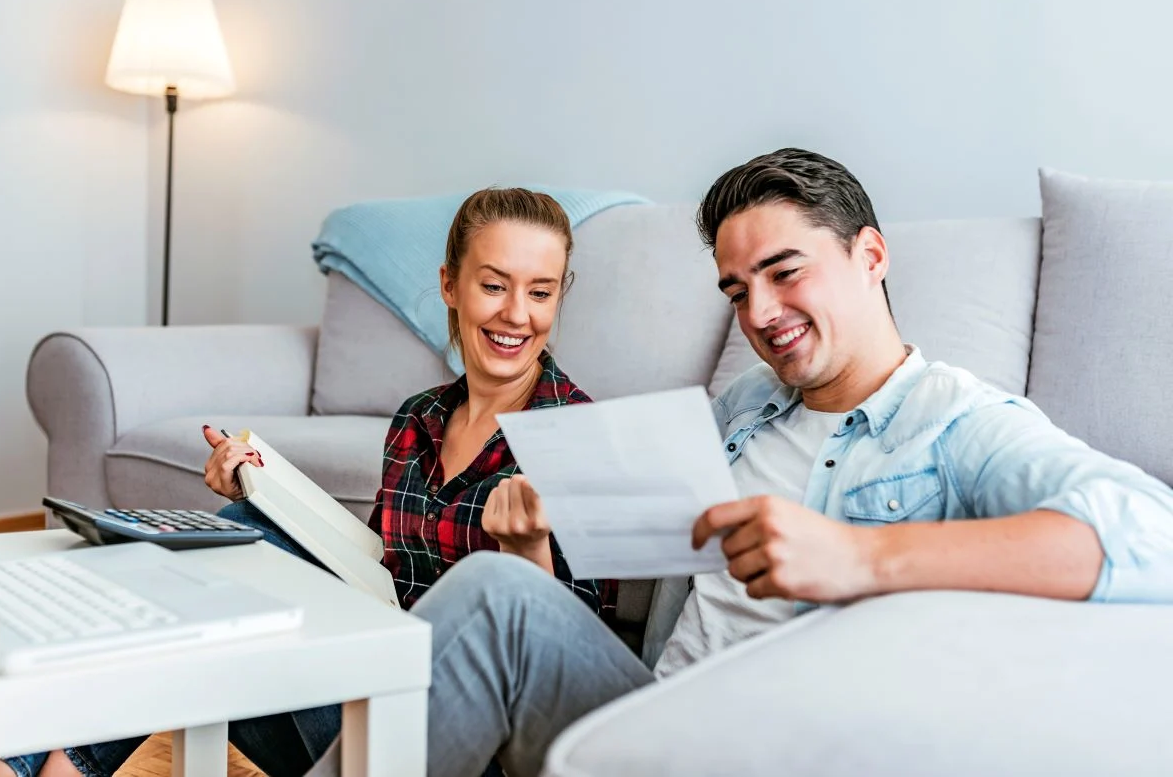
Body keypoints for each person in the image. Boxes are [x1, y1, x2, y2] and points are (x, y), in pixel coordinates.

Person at [302, 147, 1173, 777]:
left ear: (870, 256)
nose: (759, 312)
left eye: (785, 273)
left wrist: (863, 559)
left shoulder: (956, 424)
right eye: (736, 289)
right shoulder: (741, 410)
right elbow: (614, 590)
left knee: (489, 606)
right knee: (486, 598)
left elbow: (1148, 534)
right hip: (643, 709)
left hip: (768, 739)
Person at [0, 187, 614, 777]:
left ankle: (31, 763)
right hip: (364, 696)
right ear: (449, 285)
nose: (517, 315)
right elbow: (383, 573)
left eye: (540, 291)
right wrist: (271, 498)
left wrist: (528, 556)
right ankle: (44, 761)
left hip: (460, 741)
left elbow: (563, 662)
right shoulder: (418, 419)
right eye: (494, 285)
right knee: (227, 548)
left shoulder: (576, 431)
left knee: (234, 568)